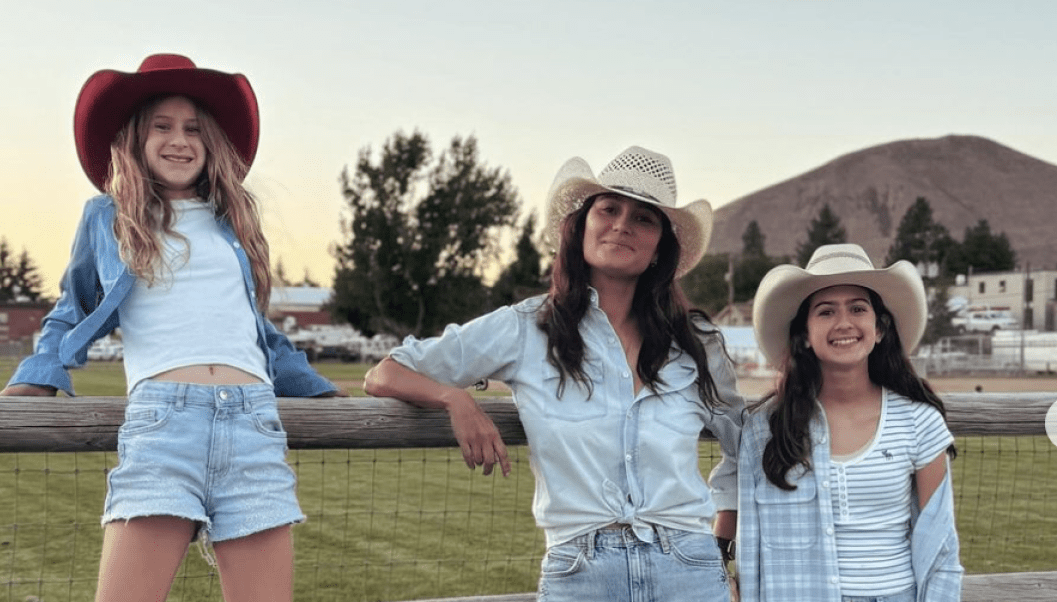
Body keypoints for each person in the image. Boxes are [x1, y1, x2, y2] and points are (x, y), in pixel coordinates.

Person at [0, 53, 338, 602]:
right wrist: (38, 376)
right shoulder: (109, 217)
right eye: (162, 126)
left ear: (211, 143)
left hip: (253, 425)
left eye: (193, 129)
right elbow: (72, 307)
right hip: (164, 425)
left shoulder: (233, 223)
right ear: (135, 138)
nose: (179, 141)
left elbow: (256, 329)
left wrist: (319, 390)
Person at [364, 146, 745, 602]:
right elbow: (385, 373)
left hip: (689, 569)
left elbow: (746, 446)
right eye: (609, 209)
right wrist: (454, 398)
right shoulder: (525, 328)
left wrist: (721, 545)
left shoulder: (696, 341)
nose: (622, 224)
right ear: (581, 226)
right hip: (581, 571)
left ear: (660, 247)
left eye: (644, 218)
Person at [738, 243, 962, 601]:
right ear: (804, 336)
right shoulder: (765, 429)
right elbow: (750, 544)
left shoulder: (919, 422)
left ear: (880, 329)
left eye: (858, 308)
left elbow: (941, 547)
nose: (844, 323)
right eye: (826, 311)